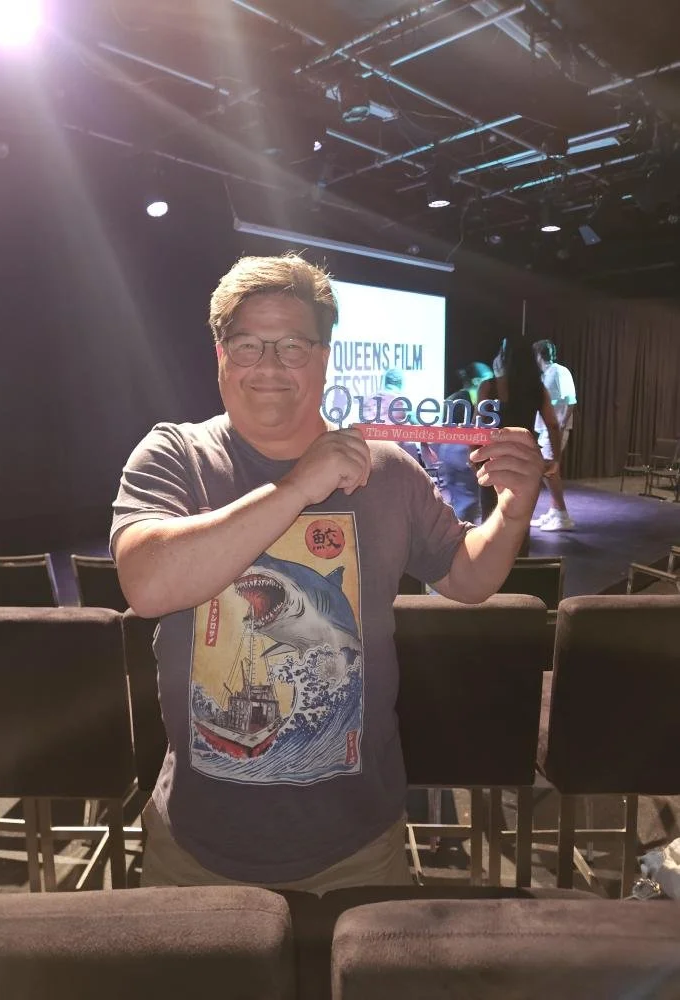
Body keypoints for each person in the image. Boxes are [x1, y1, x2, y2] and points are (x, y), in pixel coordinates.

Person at [111, 253, 545, 892]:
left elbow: (467, 578)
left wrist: (511, 514)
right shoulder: (175, 455)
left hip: (358, 849)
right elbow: (146, 583)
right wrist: (296, 488)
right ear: (220, 355)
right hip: (195, 852)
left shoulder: (387, 470)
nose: (268, 366)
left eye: (292, 346)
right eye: (248, 345)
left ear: (324, 356)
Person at [477, 338, 561, 549]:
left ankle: (490, 566)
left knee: (490, 519)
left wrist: (475, 460)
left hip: (493, 459)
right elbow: (553, 424)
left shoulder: (488, 387)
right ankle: (519, 564)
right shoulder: (537, 389)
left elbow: (478, 427)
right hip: (524, 460)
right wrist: (556, 459)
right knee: (520, 521)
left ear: (504, 357)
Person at [436, 362, 493, 523]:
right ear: (477, 381)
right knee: (469, 503)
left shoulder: (453, 398)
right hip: (462, 452)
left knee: (460, 501)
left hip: (447, 452)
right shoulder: (474, 402)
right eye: (489, 378)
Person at [530, 339, 577, 531]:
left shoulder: (559, 371)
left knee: (549, 468)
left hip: (555, 428)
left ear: (538, 355)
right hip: (545, 428)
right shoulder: (544, 375)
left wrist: (563, 423)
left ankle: (562, 516)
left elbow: (571, 398)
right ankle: (555, 510)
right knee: (547, 471)